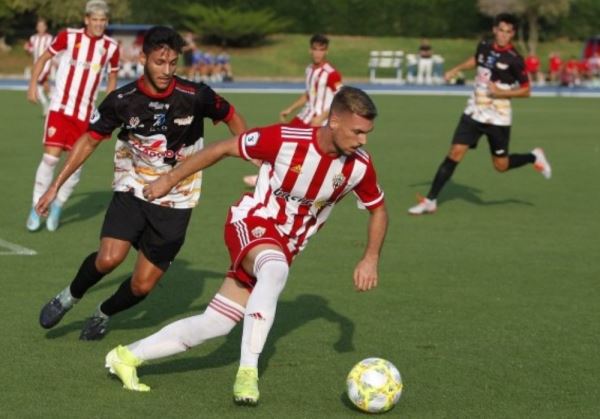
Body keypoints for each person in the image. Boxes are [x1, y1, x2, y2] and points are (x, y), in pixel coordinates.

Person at [104, 86, 387, 406]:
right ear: (334, 121)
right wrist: (169, 180)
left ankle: (126, 357)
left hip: (287, 243)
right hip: (252, 220)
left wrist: (370, 258)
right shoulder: (286, 138)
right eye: (358, 131)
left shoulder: (360, 165)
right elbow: (223, 148)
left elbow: (378, 209)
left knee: (216, 323)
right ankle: (248, 371)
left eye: (367, 133)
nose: (363, 140)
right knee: (274, 268)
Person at [35, 26, 247, 341]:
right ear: (143, 57)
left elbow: (230, 115)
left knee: (142, 285)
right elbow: (90, 141)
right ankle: (69, 295)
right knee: (109, 258)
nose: (166, 70)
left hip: (178, 199)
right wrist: (56, 185)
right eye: (159, 62)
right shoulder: (123, 100)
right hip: (132, 186)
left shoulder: (195, 96)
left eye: (173, 63)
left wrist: (250, 151)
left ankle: (104, 312)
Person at [408, 13, 552, 216]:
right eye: (501, 30)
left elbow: (526, 90)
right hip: (474, 111)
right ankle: (430, 200)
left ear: (512, 34)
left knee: (500, 166)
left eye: (508, 32)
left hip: (498, 117)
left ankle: (533, 156)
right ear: (494, 30)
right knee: (454, 153)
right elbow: (476, 60)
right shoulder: (484, 45)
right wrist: (455, 69)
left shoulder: (515, 59)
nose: (503, 35)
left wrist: (502, 92)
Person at [26, 0, 120, 232]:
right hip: (60, 109)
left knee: (75, 166)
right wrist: (32, 86)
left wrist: (109, 105)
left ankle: (57, 206)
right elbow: (44, 58)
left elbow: (112, 78)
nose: (98, 24)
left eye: (102, 21)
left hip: (85, 114)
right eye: (94, 20)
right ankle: (36, 207)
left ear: (106, 22)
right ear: (86, 19)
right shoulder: (68, 36)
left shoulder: (111, 47)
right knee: (49, 159)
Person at [242, 34, 343, 188]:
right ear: (310, 50)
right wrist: (290, 108)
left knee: (304, 152)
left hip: (319, 120)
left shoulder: (331, 73)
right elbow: (309, 94)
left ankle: (286, 179)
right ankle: (271, 175)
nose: (318, 53)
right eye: (315, 49)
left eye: (321, 50)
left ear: (326, 52)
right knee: (284, 141)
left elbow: (340, 97)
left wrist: (321, 117)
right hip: (305, 115)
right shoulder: (309, 69)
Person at [24, 17, 54, 116]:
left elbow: (53, 52)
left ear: (46, 27)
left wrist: (54, 63)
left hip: (46, 65)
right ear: (37, 27)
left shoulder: (49, 38)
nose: (41, 28)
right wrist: (27, 49)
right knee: (42, 86)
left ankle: (49, 104)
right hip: (36, 65)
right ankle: (51, 101)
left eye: (42, 26)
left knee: (39, 84)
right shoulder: (33, 38)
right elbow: (30, 50)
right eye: (39, 26)